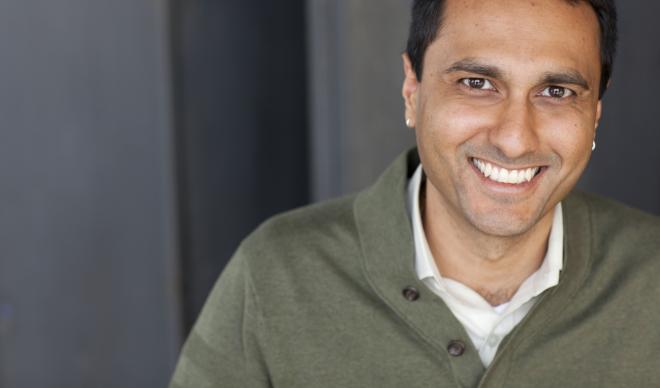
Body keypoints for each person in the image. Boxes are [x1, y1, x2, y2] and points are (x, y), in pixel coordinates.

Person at [170, 0, 660, 386]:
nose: (515, 139)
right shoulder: (276, 275)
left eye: (556, 92)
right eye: (476, 82)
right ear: (413, 89)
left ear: (595, 111)